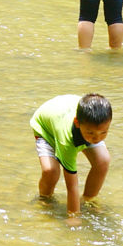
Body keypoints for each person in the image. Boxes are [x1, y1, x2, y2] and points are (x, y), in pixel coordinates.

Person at [31, 93, 112, 225]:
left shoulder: (93, 125)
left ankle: (88, 200)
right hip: (46, 128)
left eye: (104, 132)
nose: (97, 139)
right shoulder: (66, 141)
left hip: (69, 111)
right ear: (77, 123)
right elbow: (72, 185)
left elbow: (94, 132)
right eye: (91, 133)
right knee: (50, 171)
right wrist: (73, 216)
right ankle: (44, 199)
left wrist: (91, 134)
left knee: (103, 161)